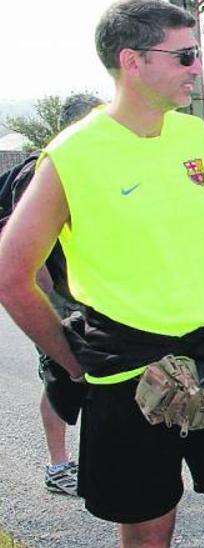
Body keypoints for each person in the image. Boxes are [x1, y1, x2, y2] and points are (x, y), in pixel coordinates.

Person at [0, 1, 204, 545]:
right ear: (133, 61)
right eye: (184, 55)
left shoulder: (196, 137)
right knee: (151, 538)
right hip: (131, 379)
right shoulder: (73, 155)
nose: (197, 67)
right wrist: (70, 361)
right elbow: (12, 272)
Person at [0, 93, 103, 497]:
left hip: (83, 292)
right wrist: (52, 313)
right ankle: (58, 465)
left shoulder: (86, 167)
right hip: (56, 297)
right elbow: (24, 255)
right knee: (59, 375)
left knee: (92, 377)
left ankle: (93, 460)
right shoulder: (41, 173)